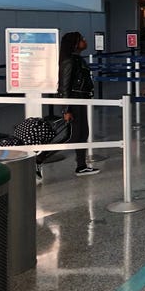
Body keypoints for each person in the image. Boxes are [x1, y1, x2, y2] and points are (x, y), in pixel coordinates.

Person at [36, 32, 100, 182]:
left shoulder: (77, 59)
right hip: (74, 102)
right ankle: (38, 159)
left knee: (83, 134)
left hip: (81, 101)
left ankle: (81, 166)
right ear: (74, 43)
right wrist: (66, 109)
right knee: (71, 136)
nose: (85, 41)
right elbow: (64, 87)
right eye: (81, 39)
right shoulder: (69, 61)